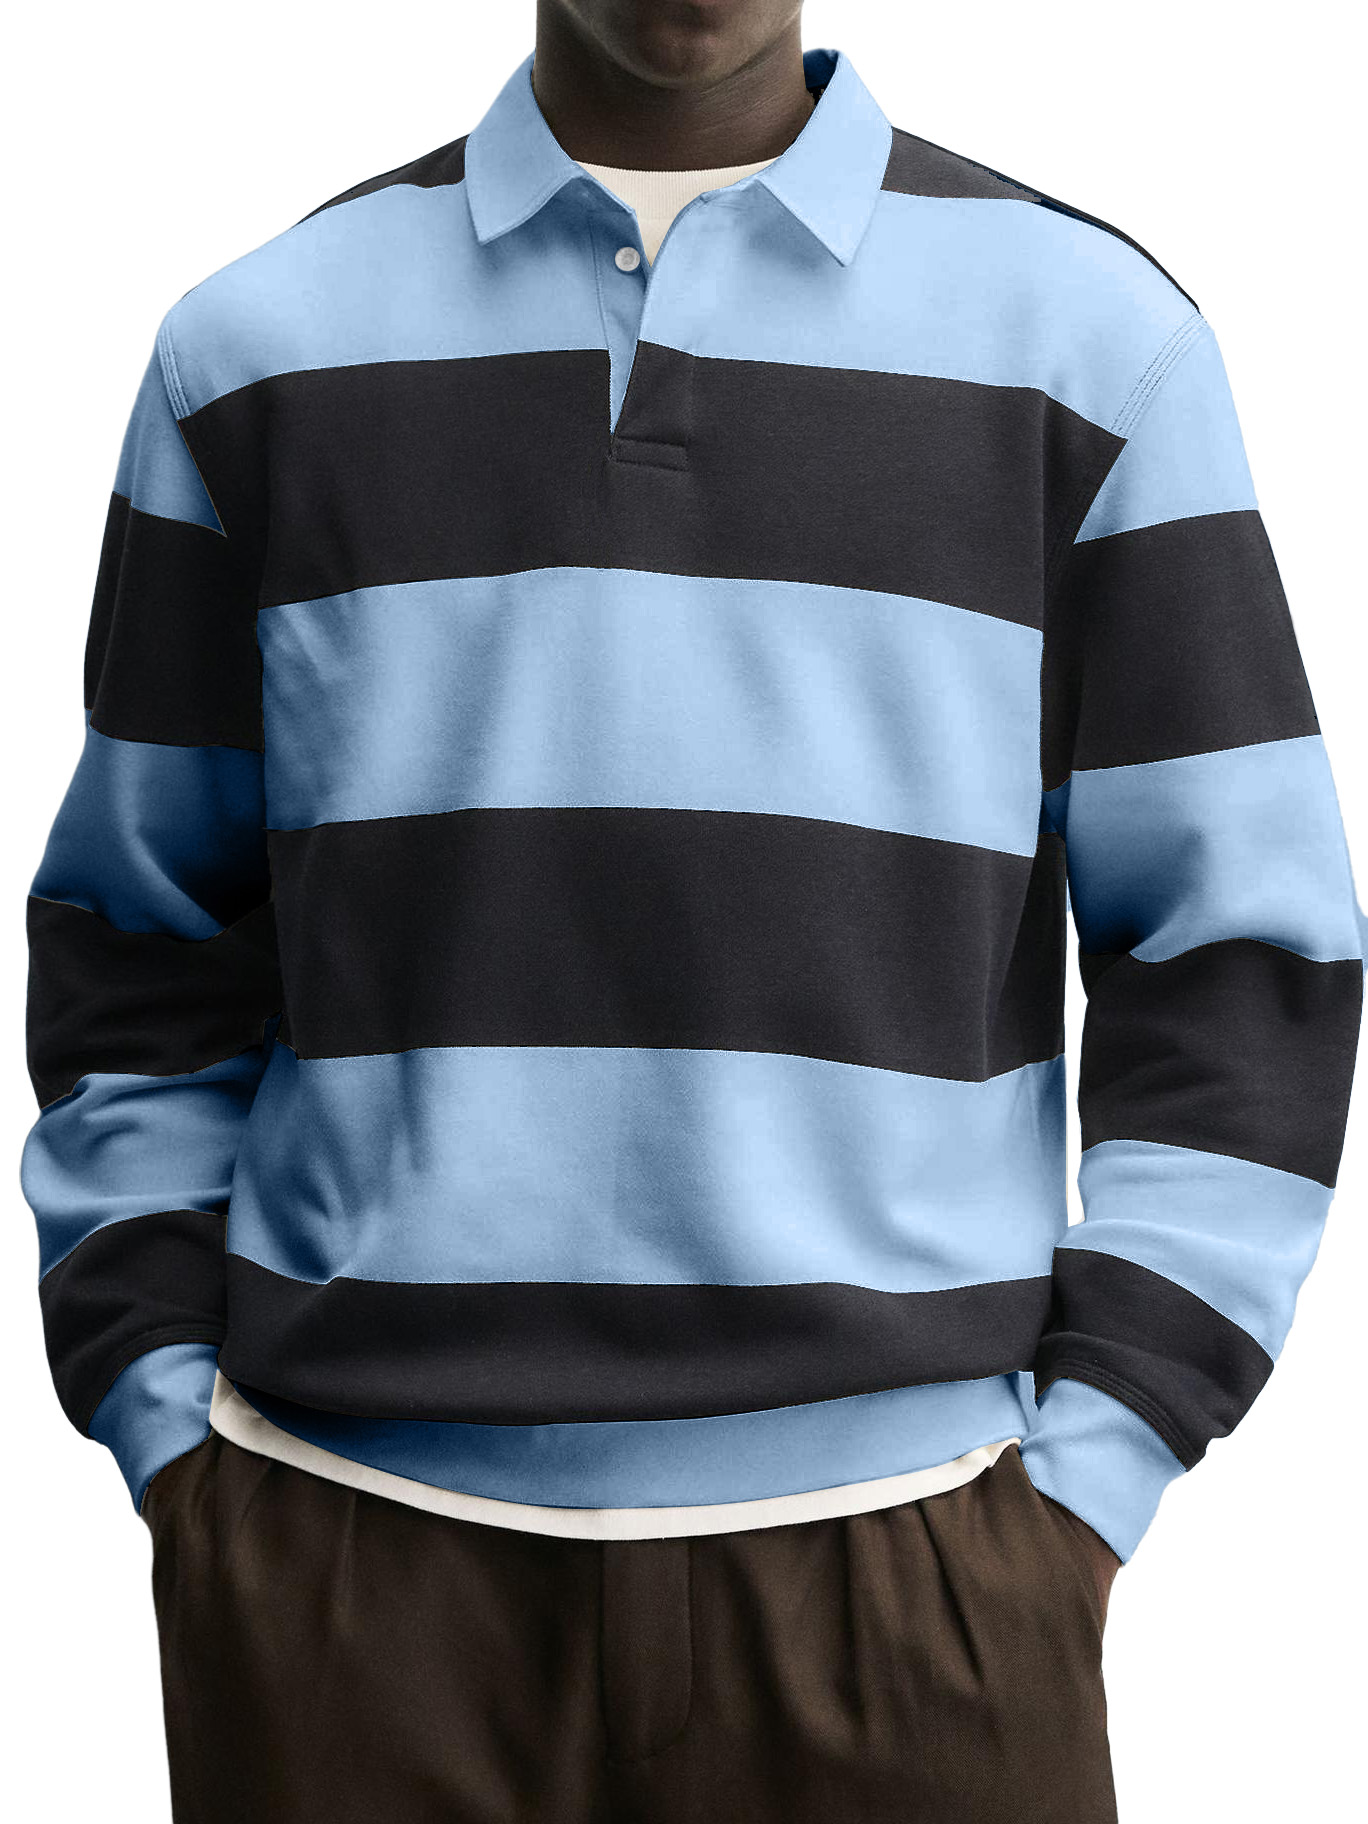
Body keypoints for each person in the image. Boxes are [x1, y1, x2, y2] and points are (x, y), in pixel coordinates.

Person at [20, 2, 1366, 1819]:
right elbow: (140, 945)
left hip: (919, 1591)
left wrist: (1096, 1471)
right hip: (348, 1592)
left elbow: (1239, 956)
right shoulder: (259, 352)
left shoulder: (1093, 346)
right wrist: (170, 1432)